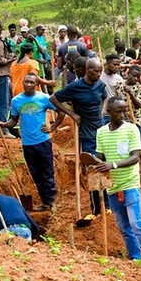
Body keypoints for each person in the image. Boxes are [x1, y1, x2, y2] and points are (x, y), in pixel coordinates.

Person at [93, 97, 141, 265]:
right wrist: (92, 163)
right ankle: (135, 259)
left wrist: (112, 164)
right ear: (108, 112)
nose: (122, 114)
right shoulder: (101, 133)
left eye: (124, 111)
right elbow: (100, 158)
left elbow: (135, 157)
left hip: (130, 184)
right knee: (124, 227)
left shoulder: (131, 129)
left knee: (137, 224)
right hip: (112, 187)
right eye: (118, 111)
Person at [49, 58, 108, 218]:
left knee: (106, 168)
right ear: (87, 70)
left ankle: (107, 207)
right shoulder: (76, 87)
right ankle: (96, 209)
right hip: (87, 134)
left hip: (101, 131)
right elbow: (53, 98)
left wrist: (101, 112)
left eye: (100, 71)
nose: (99, 74)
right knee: (93, 169)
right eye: (96, 71)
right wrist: (72, 113)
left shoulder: (100, 85)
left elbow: (104, 97)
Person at [0, 73, 60, 211]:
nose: (29, 85)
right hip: (27, 144)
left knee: (47, 172)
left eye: (32, 82)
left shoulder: (44, 98)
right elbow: (13, 120)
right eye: (26, 82)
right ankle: (44, 202)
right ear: (23, 82)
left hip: (43, 141)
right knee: (36, 174)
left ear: (36, 84)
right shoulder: (16, 101)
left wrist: (52, 127)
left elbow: (61, 111)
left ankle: (51, 202)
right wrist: (3, 124)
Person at [123, 65, 141, 162]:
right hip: (123, 121)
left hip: (135, 120)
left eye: (138, 77)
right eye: (134, 76)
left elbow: (138, 105)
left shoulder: (140, 88)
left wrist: (131, 93)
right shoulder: (119, 85)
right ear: (128, 74)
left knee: (140, 144)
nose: (136, 79)